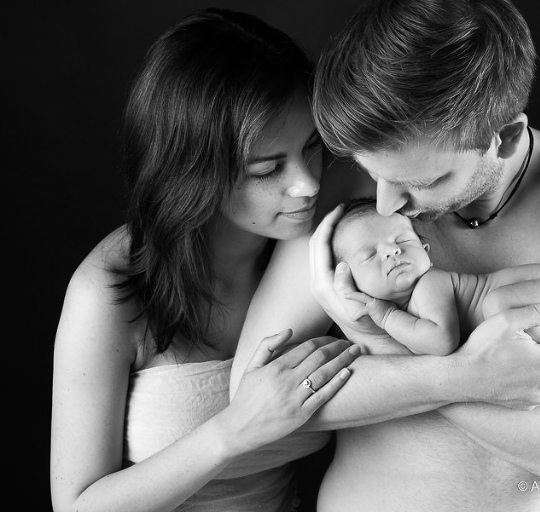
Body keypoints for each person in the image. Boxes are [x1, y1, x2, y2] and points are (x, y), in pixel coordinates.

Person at [305, 0, 540, 509]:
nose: (387, 204)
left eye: (424, 181)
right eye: (374, 176)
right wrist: (466, 377)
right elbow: (262, 399)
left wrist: (380, 347)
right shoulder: (360, 170)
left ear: (503, 139)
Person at [49, 8, 363, 512]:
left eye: (310, 148)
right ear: (193, 171)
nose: (306, 184)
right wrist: (234, 431)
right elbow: (76, 505)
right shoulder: (109, 293)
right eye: (266, 169)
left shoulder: (312, 248)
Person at [330, 197, 540, 355]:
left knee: (497, 306)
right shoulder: (412, 311)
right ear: (351, 279)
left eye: (402, 240)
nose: (391, 251)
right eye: (369, 255)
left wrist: (385, 316)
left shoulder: (430, 284)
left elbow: (440, 342)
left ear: (426, 252)